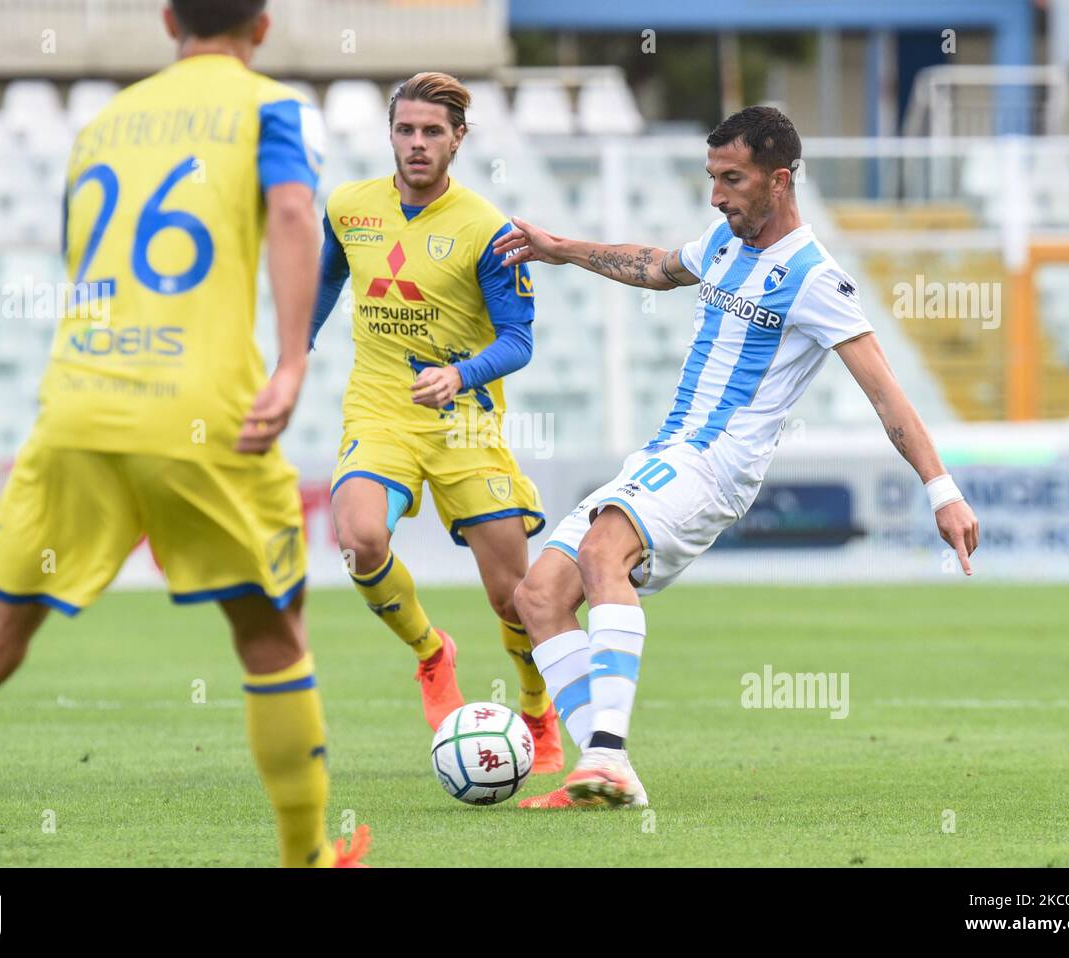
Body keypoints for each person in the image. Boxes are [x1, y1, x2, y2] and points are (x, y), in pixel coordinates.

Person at [0, 0, 368, 867]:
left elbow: (80, 253)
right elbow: (290, 215)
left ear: (168, 19)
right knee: (272, 630)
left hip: (79, 403)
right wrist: (290, 363)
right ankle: (307, 857)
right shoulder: (274, 107)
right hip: (205, 412)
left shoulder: (101, 122)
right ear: (265, 25)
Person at [493, 105, 980, 809]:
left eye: (732, 179)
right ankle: (598, 771)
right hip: (665, 451)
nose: (717, 195)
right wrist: (560, 248)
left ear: (779, 181)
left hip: (717, 463)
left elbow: (888, 396)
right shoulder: (722, 246)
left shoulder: (815, 277)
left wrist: (943, 491)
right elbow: (655, 267)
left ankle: (608, 758)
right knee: (537, 597)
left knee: (604, 551)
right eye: (711, 178)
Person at [311, 72, 562, 772]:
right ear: (390, 134)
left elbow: (519, 339)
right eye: (405, 130)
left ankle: (538, 711)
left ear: (458, 138)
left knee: (513, 595)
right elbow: (328, 279)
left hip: (466, 424)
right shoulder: (349, 208)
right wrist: (294, 353)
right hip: (380, 409)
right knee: (361, 540)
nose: (417, 144)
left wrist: (460, 374)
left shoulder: (489, 229)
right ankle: (431, 654)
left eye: (432, 132)